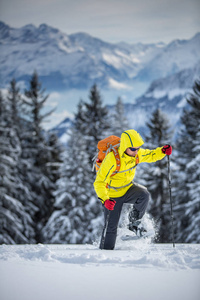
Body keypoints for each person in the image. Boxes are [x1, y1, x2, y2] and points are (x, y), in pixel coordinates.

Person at [93, 129, 172, 250]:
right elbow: (99, 182)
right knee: (111, 227)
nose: (136, 151)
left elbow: (150, 155)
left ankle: (134, 224)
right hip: (112, 196)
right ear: (125, 147)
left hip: (127, 189)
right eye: (133, 149)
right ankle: (105, 253)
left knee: (143, 195)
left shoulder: (136, 154)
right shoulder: (112, 159)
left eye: (138, 148)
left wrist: (162, 151)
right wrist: (105, 199)